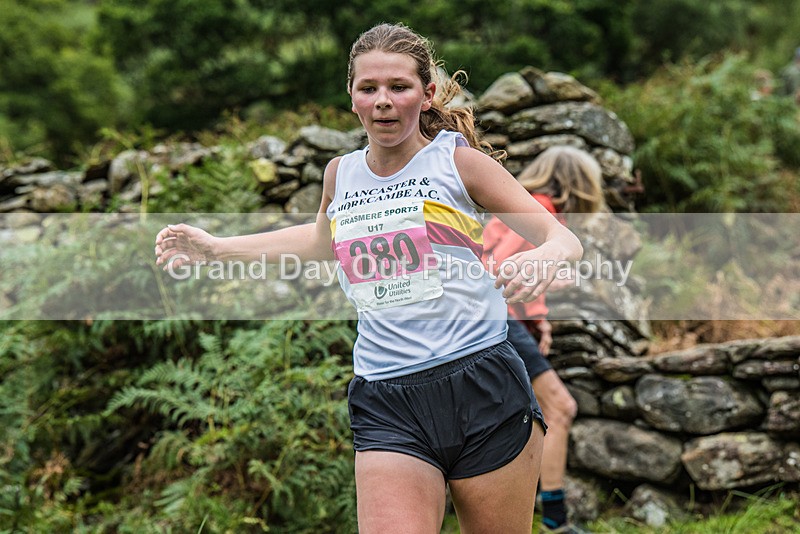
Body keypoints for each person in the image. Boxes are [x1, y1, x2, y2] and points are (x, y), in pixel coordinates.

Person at [155, 23, 583, 533]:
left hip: (481, 384)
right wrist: (216, 247)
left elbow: (564, 239)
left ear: (425, 96)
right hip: (387, 395)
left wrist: (547, 255)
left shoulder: (459, 164)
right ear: (352, 98)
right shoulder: (341, 174)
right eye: (369, 88)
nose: (383, 101)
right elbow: (319, 242)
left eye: (399, 87)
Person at [482, 145, 606, 533]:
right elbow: (500, 265)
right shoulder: (540, 209)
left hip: (491, 315)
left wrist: (539, 319)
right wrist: (534, 316)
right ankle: (556, 522)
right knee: (560, 407)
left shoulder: (522, 206)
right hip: (495, 315)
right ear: (579, 184)